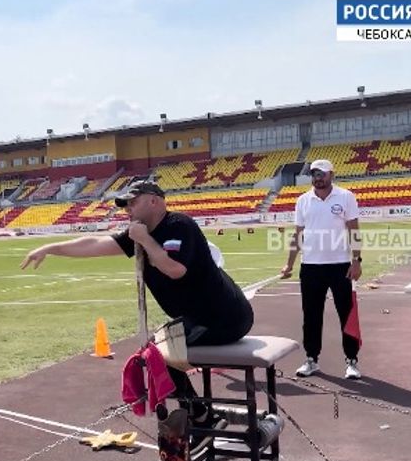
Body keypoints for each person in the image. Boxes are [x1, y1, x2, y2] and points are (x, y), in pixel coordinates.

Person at [21, 180, 254, 433]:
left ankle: (201, 417)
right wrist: (50, 248)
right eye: (125, 205)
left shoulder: (178, 225)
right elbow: (95, 245)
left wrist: (144, 239)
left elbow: (174, 270)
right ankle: (199, 413)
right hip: (199, 318)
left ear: (154, 200)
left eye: (133, 202)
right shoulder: (140, 233)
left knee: (155, 353)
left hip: (225, 317)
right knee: (153, 348)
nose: (127, 209)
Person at [280, 159, 363, 380]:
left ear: (331, 175)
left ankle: (352, 361)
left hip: (340, 266)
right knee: (311, 316)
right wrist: (289, 263)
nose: (318, 177)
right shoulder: (303, 201)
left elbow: (354, 230)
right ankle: (311, 359)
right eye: (314, 174)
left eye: (322, 173)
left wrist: (357, 260)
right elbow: (298, 234)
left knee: (346, 314)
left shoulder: (345, 197)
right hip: (311, 267)